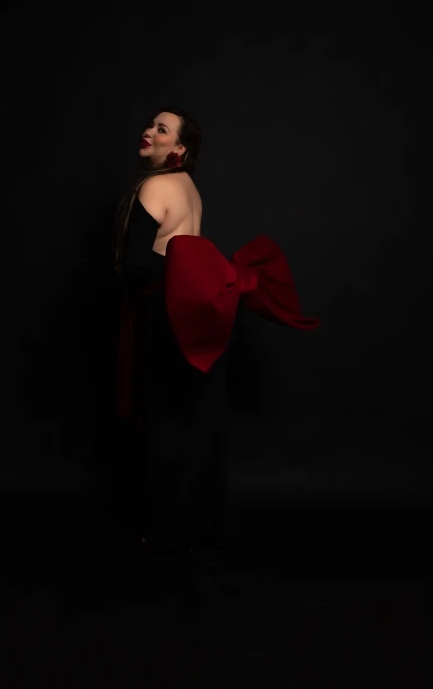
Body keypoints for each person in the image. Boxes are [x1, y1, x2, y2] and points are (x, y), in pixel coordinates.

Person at [112, 106, 320, 562]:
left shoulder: (156, 185)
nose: (149, 132)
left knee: (166, 420)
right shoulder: (190, 189)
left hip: (168, 314)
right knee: (198, 421)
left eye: (162, 129)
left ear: (180, 148)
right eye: (150, 125)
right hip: (202, 315)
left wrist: (131, 283)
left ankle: (166, 531)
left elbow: (136, 265)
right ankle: (202, 528)